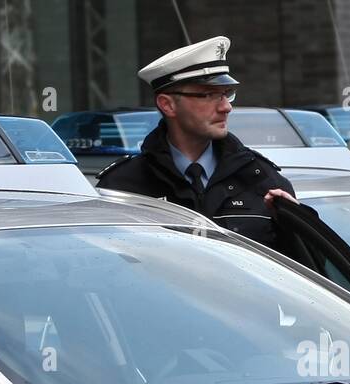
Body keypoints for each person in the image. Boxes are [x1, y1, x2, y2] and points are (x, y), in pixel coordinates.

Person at [97, 36, 297, 249]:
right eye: (209, 95)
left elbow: (305, 270)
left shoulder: (262, 178)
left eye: (226, 94)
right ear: (168, 105)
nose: (226, 107)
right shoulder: (122, 186)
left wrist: (298, 224)